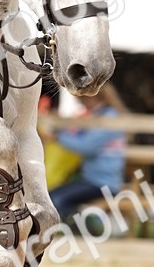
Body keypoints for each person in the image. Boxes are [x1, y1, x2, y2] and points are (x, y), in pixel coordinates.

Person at [47, 84, 127, 220]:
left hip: (103, 183)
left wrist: (58, 137)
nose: (81, 103)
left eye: (82, 99)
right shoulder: (99, 116)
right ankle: (79, 227)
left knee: (56, 199)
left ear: (93, 98)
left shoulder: (108, 118)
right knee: (52, 196)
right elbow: (79, 136)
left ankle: (82, 229)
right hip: (92, 180)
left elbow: (86, 145)